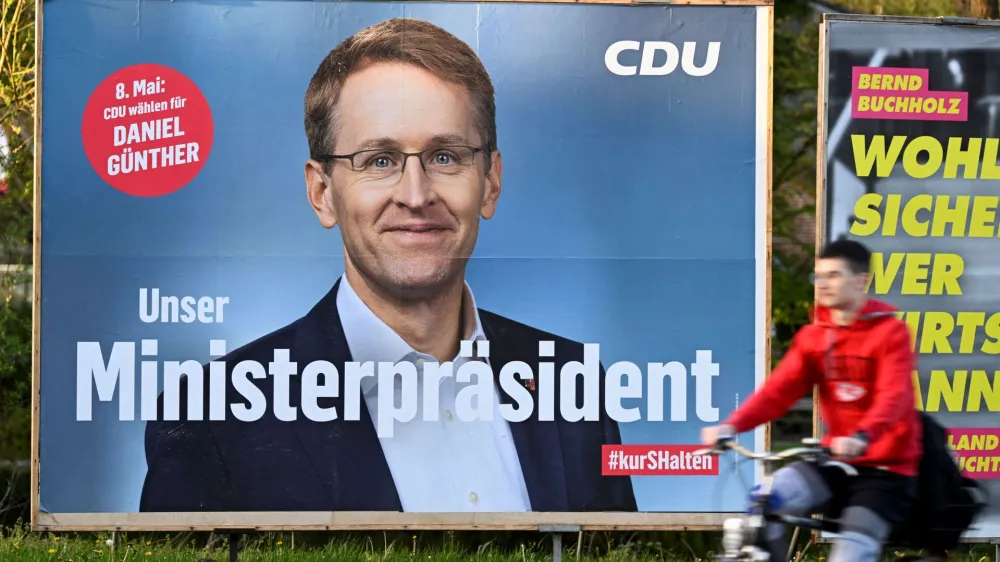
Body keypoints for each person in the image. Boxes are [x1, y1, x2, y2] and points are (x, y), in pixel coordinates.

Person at [138, 17, 636, 514]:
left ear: (490, 182)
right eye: (379, 160)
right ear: (322, 193)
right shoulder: (212, 415)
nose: (416, 195)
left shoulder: (572, 379)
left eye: (445, 156)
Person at [701, 239, 922, 562]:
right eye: (818, 276)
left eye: (833, 275)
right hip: (834, 462)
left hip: (886, 471)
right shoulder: (814, 337)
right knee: (765, 500)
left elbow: (894, 396)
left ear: (860, 281)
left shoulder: (890, 333)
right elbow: (778, 391)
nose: (822, 284)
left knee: (850, 554)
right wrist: (731, 425)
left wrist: (862, 436)